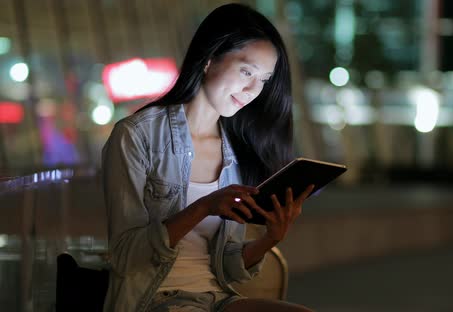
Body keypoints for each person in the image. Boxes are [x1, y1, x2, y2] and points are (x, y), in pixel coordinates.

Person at [101, 4, 314, 311]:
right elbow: (124, 255)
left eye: (264, 80)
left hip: (215, 300)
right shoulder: (136, 135)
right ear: (210, 59)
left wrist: (271, 238)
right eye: (246, 71)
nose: (254, 89)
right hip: (153, 300)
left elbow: (226, 267)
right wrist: (202, 208)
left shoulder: (235, 151)